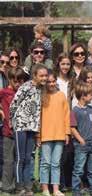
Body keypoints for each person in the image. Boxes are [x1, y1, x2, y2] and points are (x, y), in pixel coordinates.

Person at [10, 64, 48, 196]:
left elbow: (38, 112)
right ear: (34, 76)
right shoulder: (26, 86)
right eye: (41, 75)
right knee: (20, 158)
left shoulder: (42, 90)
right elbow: (14, 103)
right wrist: (11, 120)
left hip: (32, 127)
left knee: (28, 158)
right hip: (20, 125)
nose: (44, 78)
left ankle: (28, 187)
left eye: (45, 75)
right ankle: (19, 187)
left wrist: (37, 131)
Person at [38, 72, 70, 196]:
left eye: (53, 81)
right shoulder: (42, 96)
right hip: (45, 135)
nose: (51, 84)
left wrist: (67, 133)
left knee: (56, 163)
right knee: (45, 162)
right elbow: (38, 118)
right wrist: (38, 135)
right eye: (48, 82)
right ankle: (45, 188)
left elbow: (66, 116)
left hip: (60, 135)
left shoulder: (61, 96)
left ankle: (56, 189)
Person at [0, 67, 27, 194]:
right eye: (15, 80)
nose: (17, 83)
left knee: (20, 160)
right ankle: (6, 187)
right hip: (8, 133)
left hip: (21, 133)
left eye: (20, 81)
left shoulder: (24, 93)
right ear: (9, 80)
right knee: (9, 161)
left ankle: (19, 187)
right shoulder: (4, 92)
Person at [70, 82, 92, 196]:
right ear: (83, 96)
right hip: (81, 145)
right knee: (79, 169)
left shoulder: (91, 109)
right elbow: (72, 128)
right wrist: (81, 140)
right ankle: (76, 190)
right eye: (90, 94)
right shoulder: (75, 111)